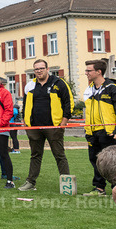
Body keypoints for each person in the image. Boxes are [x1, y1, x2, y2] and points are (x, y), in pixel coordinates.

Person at [20, 59, 73, 191]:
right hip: (34, 127)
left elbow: (68, 102)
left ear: (47, 69)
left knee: (59, 155)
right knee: (35, 155)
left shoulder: (59, 83)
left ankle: (66, 183)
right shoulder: (30, 85)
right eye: (36, 69)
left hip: (54, 126)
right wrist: (25, 120)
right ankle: (30, 182)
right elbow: (25, 104)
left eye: (41, 68)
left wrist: (64, 121)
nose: (39, 71)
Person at [82, 59, 116, 196]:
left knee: (113, 162)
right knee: (96, 160)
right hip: (92, 131)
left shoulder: (112, 88)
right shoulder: (89, 89)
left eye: (88, 70)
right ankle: (99, 188)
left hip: (108, 132)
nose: (86, 73)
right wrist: (88, 130)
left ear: (98, 72)